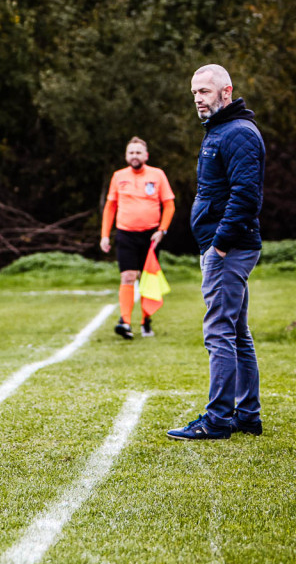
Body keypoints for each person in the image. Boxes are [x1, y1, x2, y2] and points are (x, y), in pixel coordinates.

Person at [168, 64, 266, 441]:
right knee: (237, 332)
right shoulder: (220, 130)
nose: (197, 99)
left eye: (205, 92)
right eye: (194, 92)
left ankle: (218, 419)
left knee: (219, 332)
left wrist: (219, 246)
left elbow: (245, 197)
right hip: (226, 247)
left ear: (226, 92)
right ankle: (247, 415)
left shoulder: (238, 132)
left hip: (228, 249)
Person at [99, 136, 176, 339]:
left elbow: (169, 204)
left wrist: (162, 230)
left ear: (146, 155)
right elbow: (110, 207)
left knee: (146, 279)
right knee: (127, 276)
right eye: (131, 152)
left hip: (151, 236)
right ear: (126, 156)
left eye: (138, 152)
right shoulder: (118, 176)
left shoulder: (157, 175)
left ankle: (145, 320)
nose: (134, 156)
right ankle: (124, 321)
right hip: (125, 234)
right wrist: (105, 235)